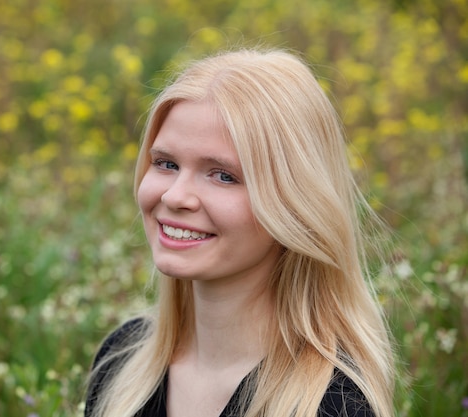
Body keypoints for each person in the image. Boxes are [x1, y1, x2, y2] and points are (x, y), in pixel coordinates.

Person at [84, 48, 395, 417]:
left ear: (295, 204)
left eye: (223, 175)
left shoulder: (334, 406)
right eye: (166, 163)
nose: (174, 196)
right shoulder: (121, 364)